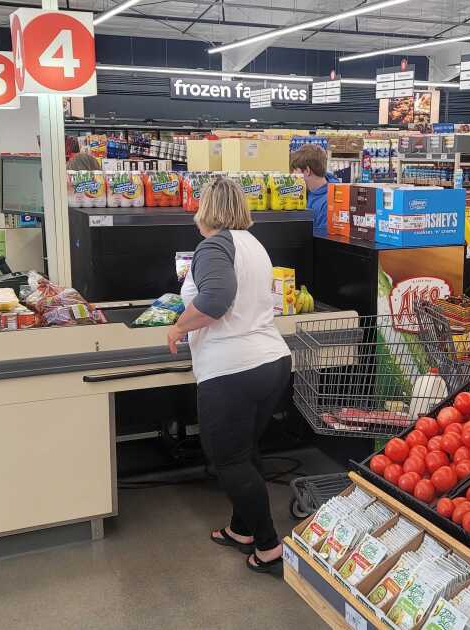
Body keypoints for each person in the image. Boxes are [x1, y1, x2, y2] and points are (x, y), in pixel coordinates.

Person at [167, 177, 292, 575]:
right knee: (245, 450)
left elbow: (216, 301)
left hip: (232, 367)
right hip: (270, 360)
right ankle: (242, 530)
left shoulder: (214, 245)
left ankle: (270, 546)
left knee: (229, 459)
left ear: (207, 209)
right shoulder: (252, 244)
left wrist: (178, 327)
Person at [289, 144, 337, 232]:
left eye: (295, 170)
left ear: (307, 171)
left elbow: (322, 239)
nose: (292, 175)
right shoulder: (306, 191)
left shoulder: (330, 202)